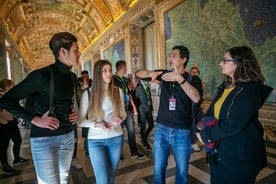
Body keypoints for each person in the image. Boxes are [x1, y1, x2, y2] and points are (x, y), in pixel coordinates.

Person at [0, 32, 80, 183]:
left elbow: (64, 102)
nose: (79, 53)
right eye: (76, 49)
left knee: (63, 179)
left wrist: (73, 113)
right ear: (63, 51)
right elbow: (6, 100)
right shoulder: (41, 76)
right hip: (45, 140)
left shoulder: (72, 77)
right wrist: (35, 119)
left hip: (68, 136)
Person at [195, 46, 272, 184]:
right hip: (220, 153)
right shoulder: (225, 87)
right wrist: (201, 126)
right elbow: (212, 112)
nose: (220, 63)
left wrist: (206, 136)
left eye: (225, 60)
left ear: (238, 63)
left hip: (241, 157)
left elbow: (233, 125)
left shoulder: (250, 91)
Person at [136, 45, 203, 184]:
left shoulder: (192, 79)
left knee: (182, 170)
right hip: (162, 129)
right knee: (158, 168)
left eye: (174, 56)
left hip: (182, 131)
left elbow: (196, 98)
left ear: (183, 59)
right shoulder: (164, 75)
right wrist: (150, 73)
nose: (170, 58)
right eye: (170, 55)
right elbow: (138, 73)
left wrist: (179, 78)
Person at [78, 59, 126, 183]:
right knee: (103, 180)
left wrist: (119, 118)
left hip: (116, 137)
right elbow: (80, 120)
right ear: (98, 73)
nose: (109, 73)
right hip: (95, 141)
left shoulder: (117, 91)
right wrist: (96, 124)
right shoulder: (88, 94)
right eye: (105, 71)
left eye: (110, 70)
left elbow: (123, 113)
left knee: (111, 176)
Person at [113, 60, 144, 159]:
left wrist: (134, 106)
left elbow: (130, 93)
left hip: (127, 109)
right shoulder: (113, 79)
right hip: (118, 110)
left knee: (131, 131)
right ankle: (118, 154)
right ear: (123, 67)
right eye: (126, 67)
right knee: (118, 132)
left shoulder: (125, 79)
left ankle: (134, 152)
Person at [0, 79, 30, 174]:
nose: (14, 87)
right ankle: (5, 165)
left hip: (12, 122)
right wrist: (3, 121)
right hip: (3, 124)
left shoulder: (10, 96)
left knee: (18, 140)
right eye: (13, 86)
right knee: (4, 146)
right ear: (7, 87)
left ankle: (16, 159)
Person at [134, 79, 154, 150]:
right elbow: (136, 99)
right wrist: (136, 110)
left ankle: (144, 137)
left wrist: (151, 108)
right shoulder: (138, 87)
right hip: (141, 109)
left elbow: (149, 97)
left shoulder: (147, 86)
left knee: (151, 125)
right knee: (143, 126)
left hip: (148, 108)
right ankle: (145, 143)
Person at [189, 66, 203, 152]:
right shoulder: (188, 83)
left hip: (198, 107)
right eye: (192, 72)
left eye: (196, 72)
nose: (194, 73)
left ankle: (200, 139)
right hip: (191, 107)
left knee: (200, 124)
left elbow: (200, 97)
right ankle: (192, 142)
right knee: (192, 125)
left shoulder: (200, 83)